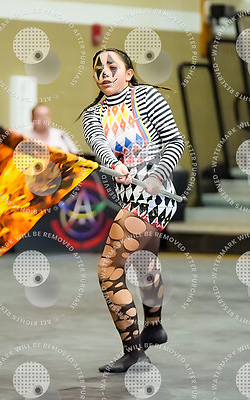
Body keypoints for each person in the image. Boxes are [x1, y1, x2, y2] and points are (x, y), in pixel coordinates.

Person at [80, 48, 184, 372]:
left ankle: (134, 351)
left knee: (108, 270)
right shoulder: (92, 115)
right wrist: (114, 165)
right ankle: (154, 325)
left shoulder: (147, 97)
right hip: (130, 196)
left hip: (155, 195)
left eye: (112, 67)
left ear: (128, 73)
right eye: (98, 69)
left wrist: (156, 176)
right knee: (144, 261)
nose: (104, 73)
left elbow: (175, 142)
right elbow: (98, 144)